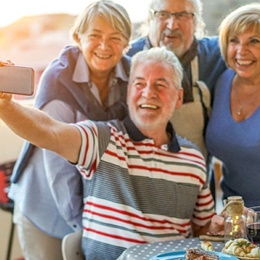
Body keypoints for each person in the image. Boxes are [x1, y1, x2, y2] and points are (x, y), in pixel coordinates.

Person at [0, 47, 224, 259]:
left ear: (178, 97)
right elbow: (49, 130)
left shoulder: (193, 158)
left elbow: (202, 228)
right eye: (139, 84)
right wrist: (5, 106)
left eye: (160, 85)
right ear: (128, 93)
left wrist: (216, 227)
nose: (148, 93)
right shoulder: (102, 139)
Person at [7, 1, 132, 259]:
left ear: (127, 41)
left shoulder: (132, 74)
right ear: (78, 37)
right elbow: (59, 166)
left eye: (115, 38)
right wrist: (85, 227)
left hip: (95, 207)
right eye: (95, 36)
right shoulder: (58, 80)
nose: (104, 46)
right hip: (47, 205)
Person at [127, 0, 226, 159]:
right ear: (149, 19)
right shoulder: (126, 58)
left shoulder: (217, 55)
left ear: (196, 21)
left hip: (194, 177)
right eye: (163, 14)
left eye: (182, 15)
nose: (172, 25)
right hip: (136, 177)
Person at [205, 3, 260, 207]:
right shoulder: (221, 81)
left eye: (254, 41)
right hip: (233, 214)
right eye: (234, 41)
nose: (241, 51)